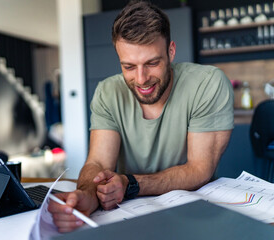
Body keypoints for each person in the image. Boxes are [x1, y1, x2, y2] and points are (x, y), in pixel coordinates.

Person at [48, 0, 234, 233]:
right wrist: (88, 195)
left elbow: (199, 169)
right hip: (129, 217)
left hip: (192, 215)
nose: (141, 78)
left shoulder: (208, 84)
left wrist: (130, 184)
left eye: (152, 63)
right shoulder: (108, 92)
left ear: (171, 51)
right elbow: (98, 163)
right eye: (128, 66)